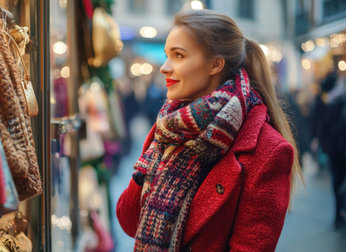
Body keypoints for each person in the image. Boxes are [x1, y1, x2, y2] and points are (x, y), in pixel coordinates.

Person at [116, 9, 302, 251]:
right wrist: (147, 167)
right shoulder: (168, 127)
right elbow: (129, 222)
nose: (164, 67)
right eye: (166, 56)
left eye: (178, 56)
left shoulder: (268, 150)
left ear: (215, 64)